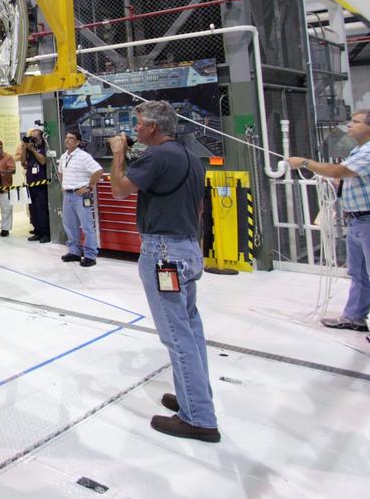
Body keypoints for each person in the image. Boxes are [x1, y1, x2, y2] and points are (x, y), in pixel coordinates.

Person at [107, 101, 220, 443]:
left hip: (163, 253)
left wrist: (117, 154)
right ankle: (193, 396)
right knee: (190, 328)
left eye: (139, 125)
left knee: (176, 335)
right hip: (187, 246)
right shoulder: (190, 157)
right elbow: (199, 206)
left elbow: (119, 188)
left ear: (153, 128)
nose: (136, 130)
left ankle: (199, 418)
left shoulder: (156, 157)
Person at [289, 109, 370, 346]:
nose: (350, 125)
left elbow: (337, 171)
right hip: (358, 220)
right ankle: (355, 317)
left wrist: (303, 162)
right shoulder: (359, 151)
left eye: (356, 122)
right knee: (358, 273)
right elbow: (344, 177)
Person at [59, 129, 104, 267]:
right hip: (68, 195)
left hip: (81, 195)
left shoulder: (84, 156)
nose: (67, 140)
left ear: (78, 142)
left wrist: (89, 187)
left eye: (71, 138)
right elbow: (61, 172)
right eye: (66, 137)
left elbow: (98, 170)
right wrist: (63, 185)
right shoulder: (63, 156)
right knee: (69, 225)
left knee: (86, 226)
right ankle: (74, 251)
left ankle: (90, 255)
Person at [19, 128, 51, 243]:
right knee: (33, 210)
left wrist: (32, 149)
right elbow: (23, 162)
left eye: (36, 137)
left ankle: (46, 233)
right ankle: (37, 231)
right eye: (32, 137)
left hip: (41, 185)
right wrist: (25, 148)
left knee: (41, 209)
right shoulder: (29, 149)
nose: (34, 139)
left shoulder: (44, 147)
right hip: (31, 183)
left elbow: (43, 161)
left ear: (41, 137)